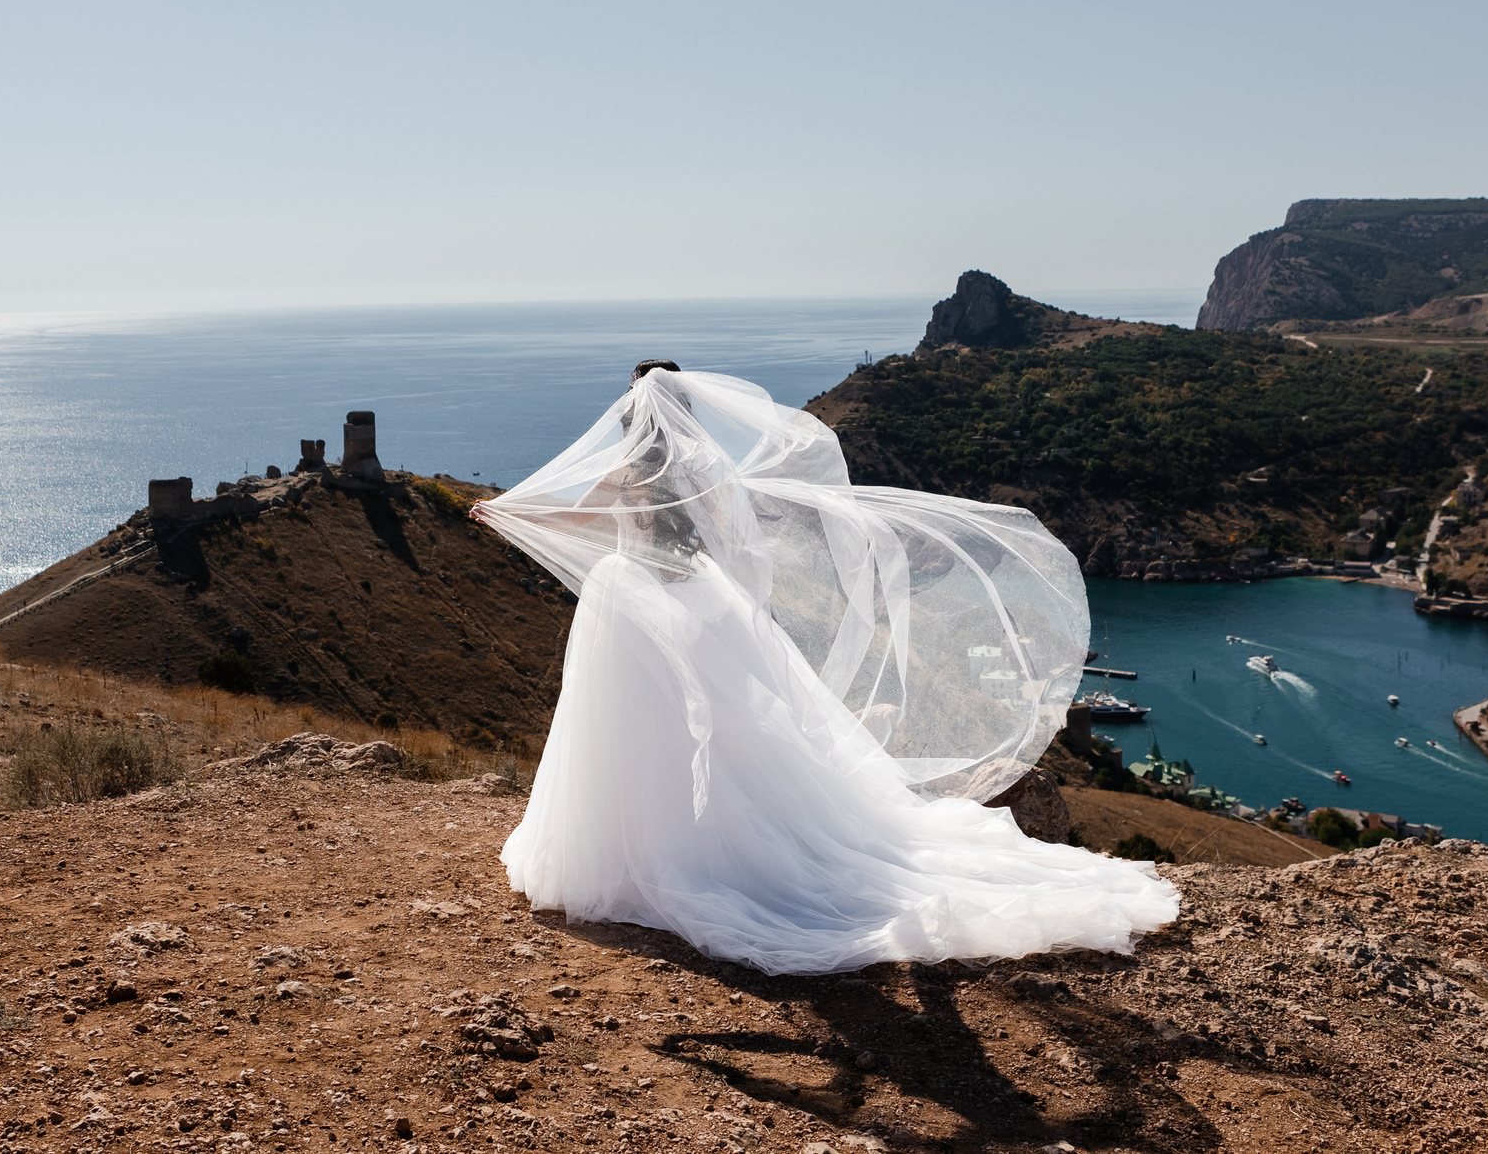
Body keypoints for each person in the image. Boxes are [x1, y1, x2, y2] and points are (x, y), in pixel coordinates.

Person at [475, 363, 1176, 975]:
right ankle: (699, 841)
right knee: (718, 728)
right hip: (697, 598)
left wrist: (497, 512)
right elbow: (738, 541)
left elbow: (571, 515)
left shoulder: (627, 472)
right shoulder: (704, 469)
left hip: (632, 600)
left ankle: (635, 848)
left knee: (631, 725)